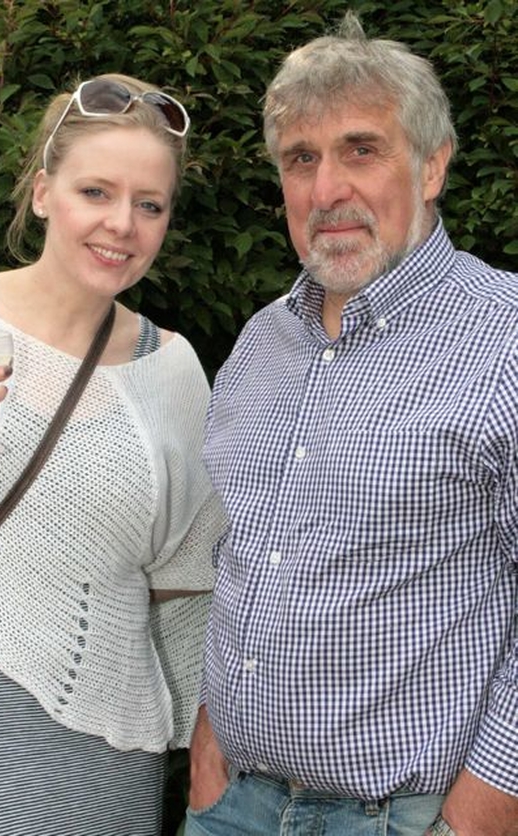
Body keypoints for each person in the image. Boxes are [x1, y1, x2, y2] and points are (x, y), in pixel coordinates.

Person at [186, 12, 518, 836]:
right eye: (302, 159)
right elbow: (238, 561)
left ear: (432, 165)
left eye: (360, 150)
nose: (327, 189)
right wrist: (206, 757)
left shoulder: (505, 340)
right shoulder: (260, 342)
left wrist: (478, 818)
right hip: (231, 802)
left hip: (406, 817)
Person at [0, 73, 224, 836]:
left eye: (149, 204)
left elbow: (189, 581)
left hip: (115, 744)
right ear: (42, 194)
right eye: (95, 192)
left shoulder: (175, 370)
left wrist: (209, 751)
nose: (121, 225)